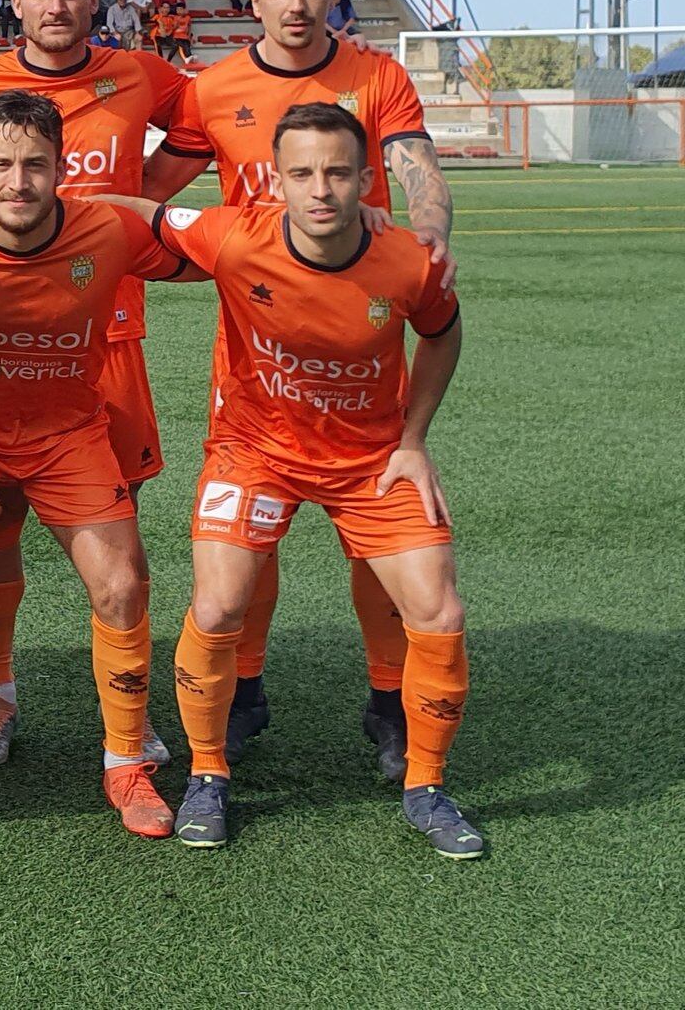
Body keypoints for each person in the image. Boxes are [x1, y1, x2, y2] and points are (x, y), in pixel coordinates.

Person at [122, 104, 479, 859]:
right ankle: (208, 775)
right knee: (218, 605)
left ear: (364, 179)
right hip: (256, 451)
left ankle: (427, 784)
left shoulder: (410, 260)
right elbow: (140, 213)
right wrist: (37, 208)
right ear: (276, 179)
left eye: (339, 172)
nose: (322, 189)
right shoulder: (234, 233)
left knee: (439, 612)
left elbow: (443, 333)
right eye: (304, 173)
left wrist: (414, 440)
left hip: (370, 460)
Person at [142, 0, 456, 777]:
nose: (297, 5)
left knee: (374, 536)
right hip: (254, 343)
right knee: (253, 537)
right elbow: (151, 193)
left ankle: (390, 698)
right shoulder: (212, 89)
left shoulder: (376, 74)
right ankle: (242, 690)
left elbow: (418, 173)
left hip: (359, 331)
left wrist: (425, 238)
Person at [0, 90, 190, 843]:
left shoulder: (108, 228)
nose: (19, 181)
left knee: (121, 584)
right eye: (2, 164)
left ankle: (125, 765)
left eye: (36, 165)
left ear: (62, 170)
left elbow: (227, 252)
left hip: (66, 432)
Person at [0, 0, 190, 768]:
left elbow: (201, 129)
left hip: (108, 337)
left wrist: (135, 207)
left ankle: (130, 714)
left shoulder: (139, 73)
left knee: (120, 539)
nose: (57, 6)